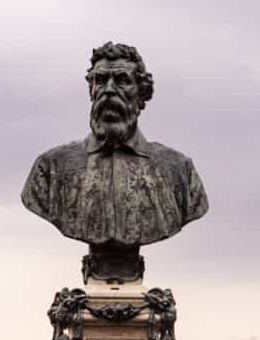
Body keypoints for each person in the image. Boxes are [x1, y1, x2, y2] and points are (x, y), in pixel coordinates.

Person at [21, 41, 208, 281]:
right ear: (91, 90)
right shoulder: (52, 168)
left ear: (141, 94)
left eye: (121, 80)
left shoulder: (178, 170)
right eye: (100, 81)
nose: (109, 90)